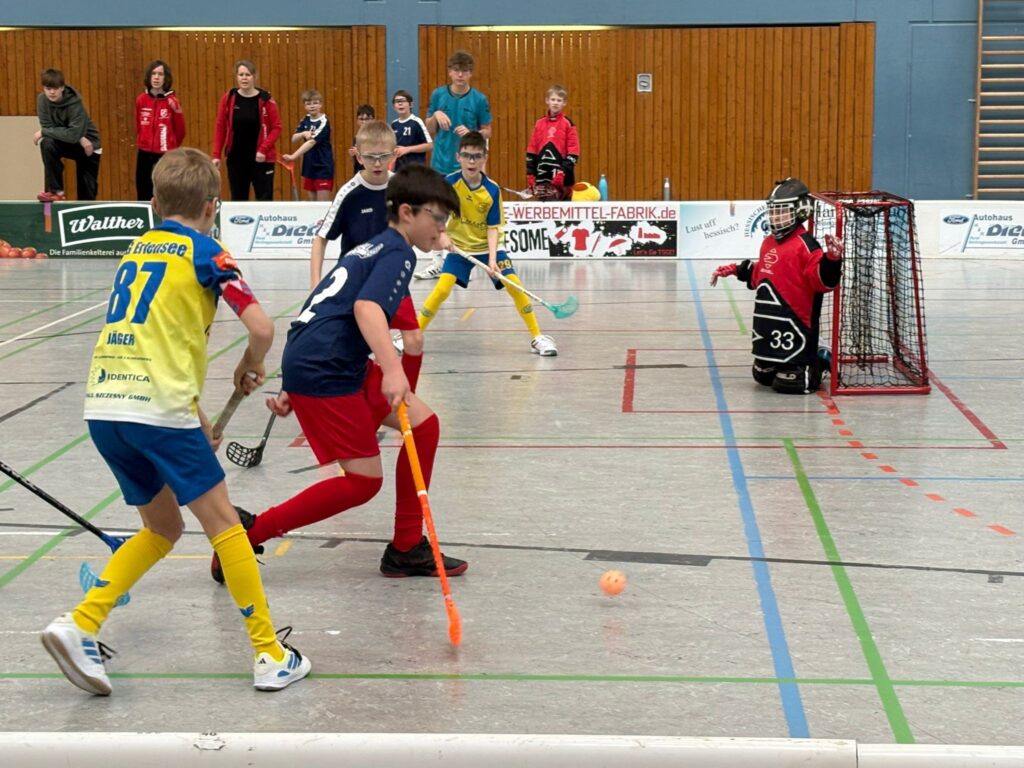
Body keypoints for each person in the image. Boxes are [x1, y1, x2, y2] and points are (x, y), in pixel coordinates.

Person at [41, 148, 310, 696]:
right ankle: (268, 653)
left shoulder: (135, 249)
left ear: (153, 203)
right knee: (226, 527)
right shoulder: (210, 253)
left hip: (106, 408)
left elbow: (153, 344)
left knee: (163, 528)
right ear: (215, 206)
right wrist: (250, 363)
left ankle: (81, 623)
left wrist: (199, 416)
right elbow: (261, 328)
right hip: (158, 412)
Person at [209, 164, 467, 582]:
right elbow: (365, 309)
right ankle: (250, 532)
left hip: (324, 359)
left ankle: (406, 546)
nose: (440, 230)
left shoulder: (375, 247)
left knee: (425, 426)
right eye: (436, 218)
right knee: (363, 483)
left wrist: (293, 380)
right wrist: (392, 370)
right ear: (406, 213)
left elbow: (320, 308)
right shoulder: (398, 252)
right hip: (327, 367)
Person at [306, 120, 426, 392]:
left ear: (395, 153)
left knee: (415, 340)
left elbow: (420, 224)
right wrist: (315, 284)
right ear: (357, 156)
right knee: (356, 347)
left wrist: (438, 236)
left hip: (391, 280)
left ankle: (407, 397)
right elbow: (320, 238)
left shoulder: (403, 189)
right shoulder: (349, 193)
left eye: (384, 156)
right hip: (355, 285)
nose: (377, 163)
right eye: (370, 157)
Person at [418, 131, 558, 357]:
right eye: (467, 156)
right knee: (442, 288)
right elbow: (434, 214)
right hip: (460, 250)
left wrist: (492, 260)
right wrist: (441, 234)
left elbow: (493, 228)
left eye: (476, 156)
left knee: (514, 284)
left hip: (488, 248)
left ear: (485, 157)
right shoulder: (449, 183)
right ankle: (413, 334)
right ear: (458, 157)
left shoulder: (492, 189)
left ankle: (538, 337)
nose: (471, 161)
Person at [710, 177, 843, 394]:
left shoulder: (806, 245)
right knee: (761, 376)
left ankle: (820, 358)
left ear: (800, 210)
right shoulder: (768, 242)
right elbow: (760, 274)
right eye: (773, 211)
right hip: (770, 330)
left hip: (797, 326)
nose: (775, 216)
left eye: (782, 211)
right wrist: (734, 270)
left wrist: (832, 259)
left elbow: (822, 282)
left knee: (790, 384)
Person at [415, 50, 492, 280]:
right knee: (436, 213)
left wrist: (473, 133)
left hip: (467, 167)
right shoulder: (438, 95)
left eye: (465, 71)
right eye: (456, 70)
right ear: (450, 72)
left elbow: (488, 130)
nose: (460, 74)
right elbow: (428, 128)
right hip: (440, 164)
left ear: (470, 73)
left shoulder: (479, 99)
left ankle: (468, 260)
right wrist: (435, 115)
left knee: (466, 214)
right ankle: (437, 263)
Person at [212, 60, 282, 201]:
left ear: (254, 77)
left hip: (261, 160)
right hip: (236, 160)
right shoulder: (229, 98)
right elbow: (220, 127)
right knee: (238, 200)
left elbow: (277, 127)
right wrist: (216, 155)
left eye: (248, 75)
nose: (244, 78)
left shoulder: (266, 99)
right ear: (237, 77)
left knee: (264, 201)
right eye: (241, 75)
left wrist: (263, 149)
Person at [34, 68, 102, 202]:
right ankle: (56, 191)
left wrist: (79, 137)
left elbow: (72, 134)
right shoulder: (42, 100)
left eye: (55, 88)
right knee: (47, 143)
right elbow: (48, 127)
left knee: (86, 196)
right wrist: (77, 136)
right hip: (71, 140)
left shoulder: (75, 103)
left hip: (89, 144)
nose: (52, 92)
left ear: (62, 88)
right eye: (48, 88)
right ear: (44, 88)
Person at [135, 60, 186, 201]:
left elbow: (180, 130)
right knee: (143, 190)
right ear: (149, 77)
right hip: (144, 152)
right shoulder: (141, 100)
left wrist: (170, 145)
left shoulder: (173, 102)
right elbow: (138, 125)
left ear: (166, 78)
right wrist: (143, 141)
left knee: (164, 191)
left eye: (160, 74)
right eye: (154, 74)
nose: (156, 77)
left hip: (164, 153)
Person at [525, 85, 580, 201]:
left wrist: (562, 172)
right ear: (547, 101)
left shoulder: (568, 124)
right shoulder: (539, 123)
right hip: (542, 178)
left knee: (564, 217)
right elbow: (531, 151)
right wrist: (530, 174)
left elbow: (574, 153)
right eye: (553, 99)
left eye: (559, 100)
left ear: (564, 103)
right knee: (546, 215)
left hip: (563, 181)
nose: (555, 103)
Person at [283, 88, 334, 201]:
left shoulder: (324, 122)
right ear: (305, 106)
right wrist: (303, 133)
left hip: (322, 167)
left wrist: (293, 156)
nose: (312, 106)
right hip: (309, 167)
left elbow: (311, 142)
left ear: (320, 104)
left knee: (322, 207)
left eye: (315, 103)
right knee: (312, 204)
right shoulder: (305, 120)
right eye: (308, 104)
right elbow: (293, 138)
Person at [390, 89, 432, 171]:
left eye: (403, 101)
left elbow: (430, 145)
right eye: (397, 101)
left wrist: (407, 149)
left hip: (415, 170)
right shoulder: (393, 124)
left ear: (411, 104)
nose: (400, 103)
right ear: (394, 107)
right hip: (399, 170)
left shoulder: (416, 122)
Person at [347, 104, 375, 175]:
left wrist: (359, 153)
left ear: (373, 120)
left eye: (367, 119)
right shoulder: (356, 138)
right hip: (359, 173)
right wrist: (353, 154)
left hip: (373, 173)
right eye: (361, 119)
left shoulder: (377, 137)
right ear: (357, 121)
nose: (364, 122)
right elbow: (357, 162)